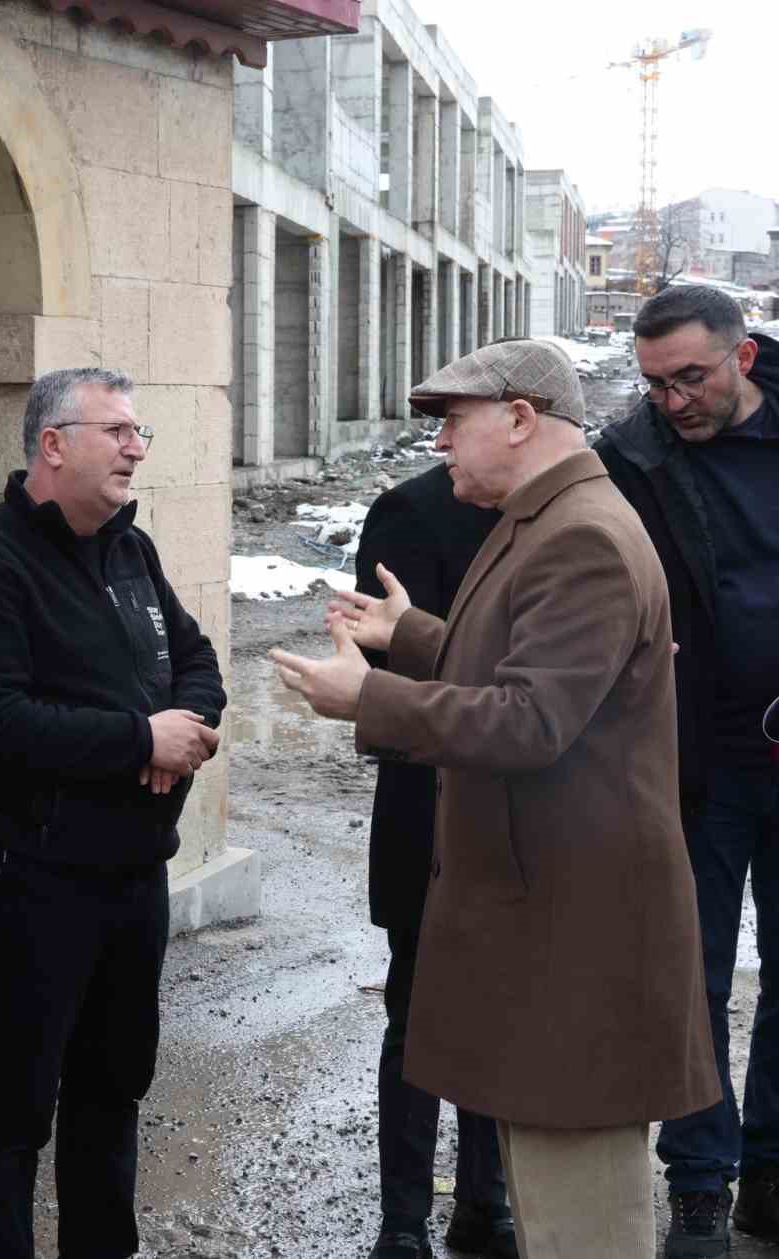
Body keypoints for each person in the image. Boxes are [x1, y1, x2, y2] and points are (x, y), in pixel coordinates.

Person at [270, 338, 719, 1258]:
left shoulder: (581, 534)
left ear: (520, 418)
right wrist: (415, 633)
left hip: (577, 934)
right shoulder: (545, 518)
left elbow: (532, 721)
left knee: (582, 1224)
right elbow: (529, 670)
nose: (437, 444)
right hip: (551, 920)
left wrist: (371, 695)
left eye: (452, 422)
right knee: (550, 1202)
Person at [0, 367, 226, 1259]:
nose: (137, 447)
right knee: (16, 1106)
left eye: (141, 433)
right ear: (52, 444)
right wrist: (141, 741)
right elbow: (0, 722)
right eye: (119, 431)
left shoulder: (132, 551)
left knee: (112, 1088)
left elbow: (197, 655)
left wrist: (187, 728)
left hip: (134, 876)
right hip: (36, 880)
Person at [592, 285, 779, 1257]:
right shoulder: (629, 459)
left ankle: (771, 1169)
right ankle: (699, 1183)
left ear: (742, 359)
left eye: (691, 378)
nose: (672, 401)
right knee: (690, 977)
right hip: (691, 764)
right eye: (655, 383)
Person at [351, 464, 509, 1259]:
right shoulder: (409, 512)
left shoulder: (552, 515)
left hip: (523, 807)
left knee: (501, 1017)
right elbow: (388, 674)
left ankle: (486, 1201)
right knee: (417, 1016)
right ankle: (403, 1219)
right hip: (429, 806)